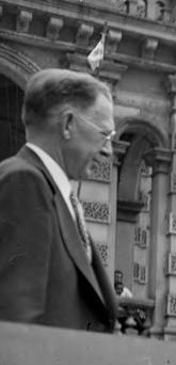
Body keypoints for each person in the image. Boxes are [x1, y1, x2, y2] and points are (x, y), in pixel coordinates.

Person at [0, 68, 117, 331]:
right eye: (104, 135)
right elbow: (14, 322)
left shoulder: (55, 195)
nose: (109, 151)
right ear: (67, 125)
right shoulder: (24, 183)